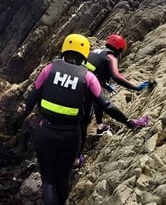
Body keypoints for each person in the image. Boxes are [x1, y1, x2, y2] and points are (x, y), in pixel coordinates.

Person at [18, 33, 147, 205]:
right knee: (62, 178)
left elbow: (30, 101)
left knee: (48, 182)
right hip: (70, 136)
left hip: (45, 132)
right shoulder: (88, 77)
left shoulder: (49, 69)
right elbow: (106, 105)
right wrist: (128, 122)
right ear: (85, 53)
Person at [73, 34, 150, 168]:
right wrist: (135, 87)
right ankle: (76, 159)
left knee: (96, 102)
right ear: (119, 50)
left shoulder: (96, 51)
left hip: (77, 83)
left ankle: (100, 125)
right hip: (85, 88)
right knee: (85, 121)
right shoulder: (110, 57)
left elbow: (91, 69)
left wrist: (103, 83)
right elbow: (116, 76)